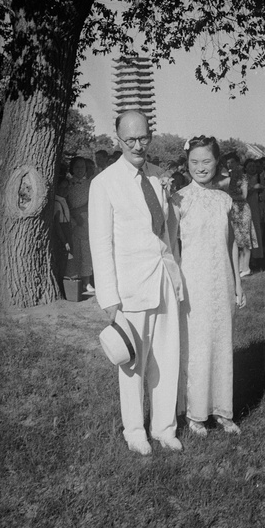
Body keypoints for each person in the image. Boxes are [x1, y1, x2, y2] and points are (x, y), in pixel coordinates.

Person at [88, 109, 184, 456]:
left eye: (144, 137)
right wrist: (110, 301)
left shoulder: (160, 176)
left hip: (164, 281)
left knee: (167, 358)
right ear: (118, 140)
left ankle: (165, 427)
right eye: (130, 139)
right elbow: (100, 245)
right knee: (132, 364)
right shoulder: (104, 184)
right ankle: (134, 431)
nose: (138, 145)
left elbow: (168, 234)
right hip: (129, 289)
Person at [169, 135, 245, 437]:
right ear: (187, 164)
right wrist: (175, 282)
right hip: (193, 283)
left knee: (222, 343)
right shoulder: (178, 199)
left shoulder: (225, 199)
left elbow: (232, 246)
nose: (201, 167)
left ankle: (223, 411)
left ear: (217, 163)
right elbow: (170, 248)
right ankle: (196, 413)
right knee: (197, 346)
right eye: (194, 162)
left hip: (223, 281)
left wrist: (238, 284)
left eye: (207, 161)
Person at [67, 156, 95, 295]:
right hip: (70, 219)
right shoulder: (67, 184)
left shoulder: (90, 184)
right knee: (74, 250)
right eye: (77, 167)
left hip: (85, 219)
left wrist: (78, 212)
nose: (79, 170)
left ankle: (87, 281)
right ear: (72, 168)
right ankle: (74, 279)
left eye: (82, 167)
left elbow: (92, 202)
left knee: (86, 251)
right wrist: (72, 213)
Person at [228, 154, 259, 277]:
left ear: (237, 163)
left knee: (245, 239)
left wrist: (229, 198)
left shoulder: (243, 177)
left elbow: (244, 195)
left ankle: (246, 267)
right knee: (237, 239)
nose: (229, 165)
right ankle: (240, 266)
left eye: (232, 162)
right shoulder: (231, 176)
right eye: (228, 163)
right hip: (234, 209)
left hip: (243, 209)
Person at [53, 176, 73, 295]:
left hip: (67, 232)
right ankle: (60, 288)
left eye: (67, 187)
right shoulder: (56, 202)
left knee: (66, 262)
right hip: (61, 236)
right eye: (62, 187)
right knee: (61, 263)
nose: (65, 190)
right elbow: (57, 225)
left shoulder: (64, 200)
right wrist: (65, 241)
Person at [244, 158, 265, 266]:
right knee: (247, 230)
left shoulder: (259, 177)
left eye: (254, 166)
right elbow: (242, 194)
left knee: (256, 230)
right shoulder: (243, 178)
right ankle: (248, 258)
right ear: (246, 167)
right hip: (246, 206)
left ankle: (257, 256)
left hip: (256, 206)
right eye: (250, 166)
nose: (252, 168)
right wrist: (253, 188)